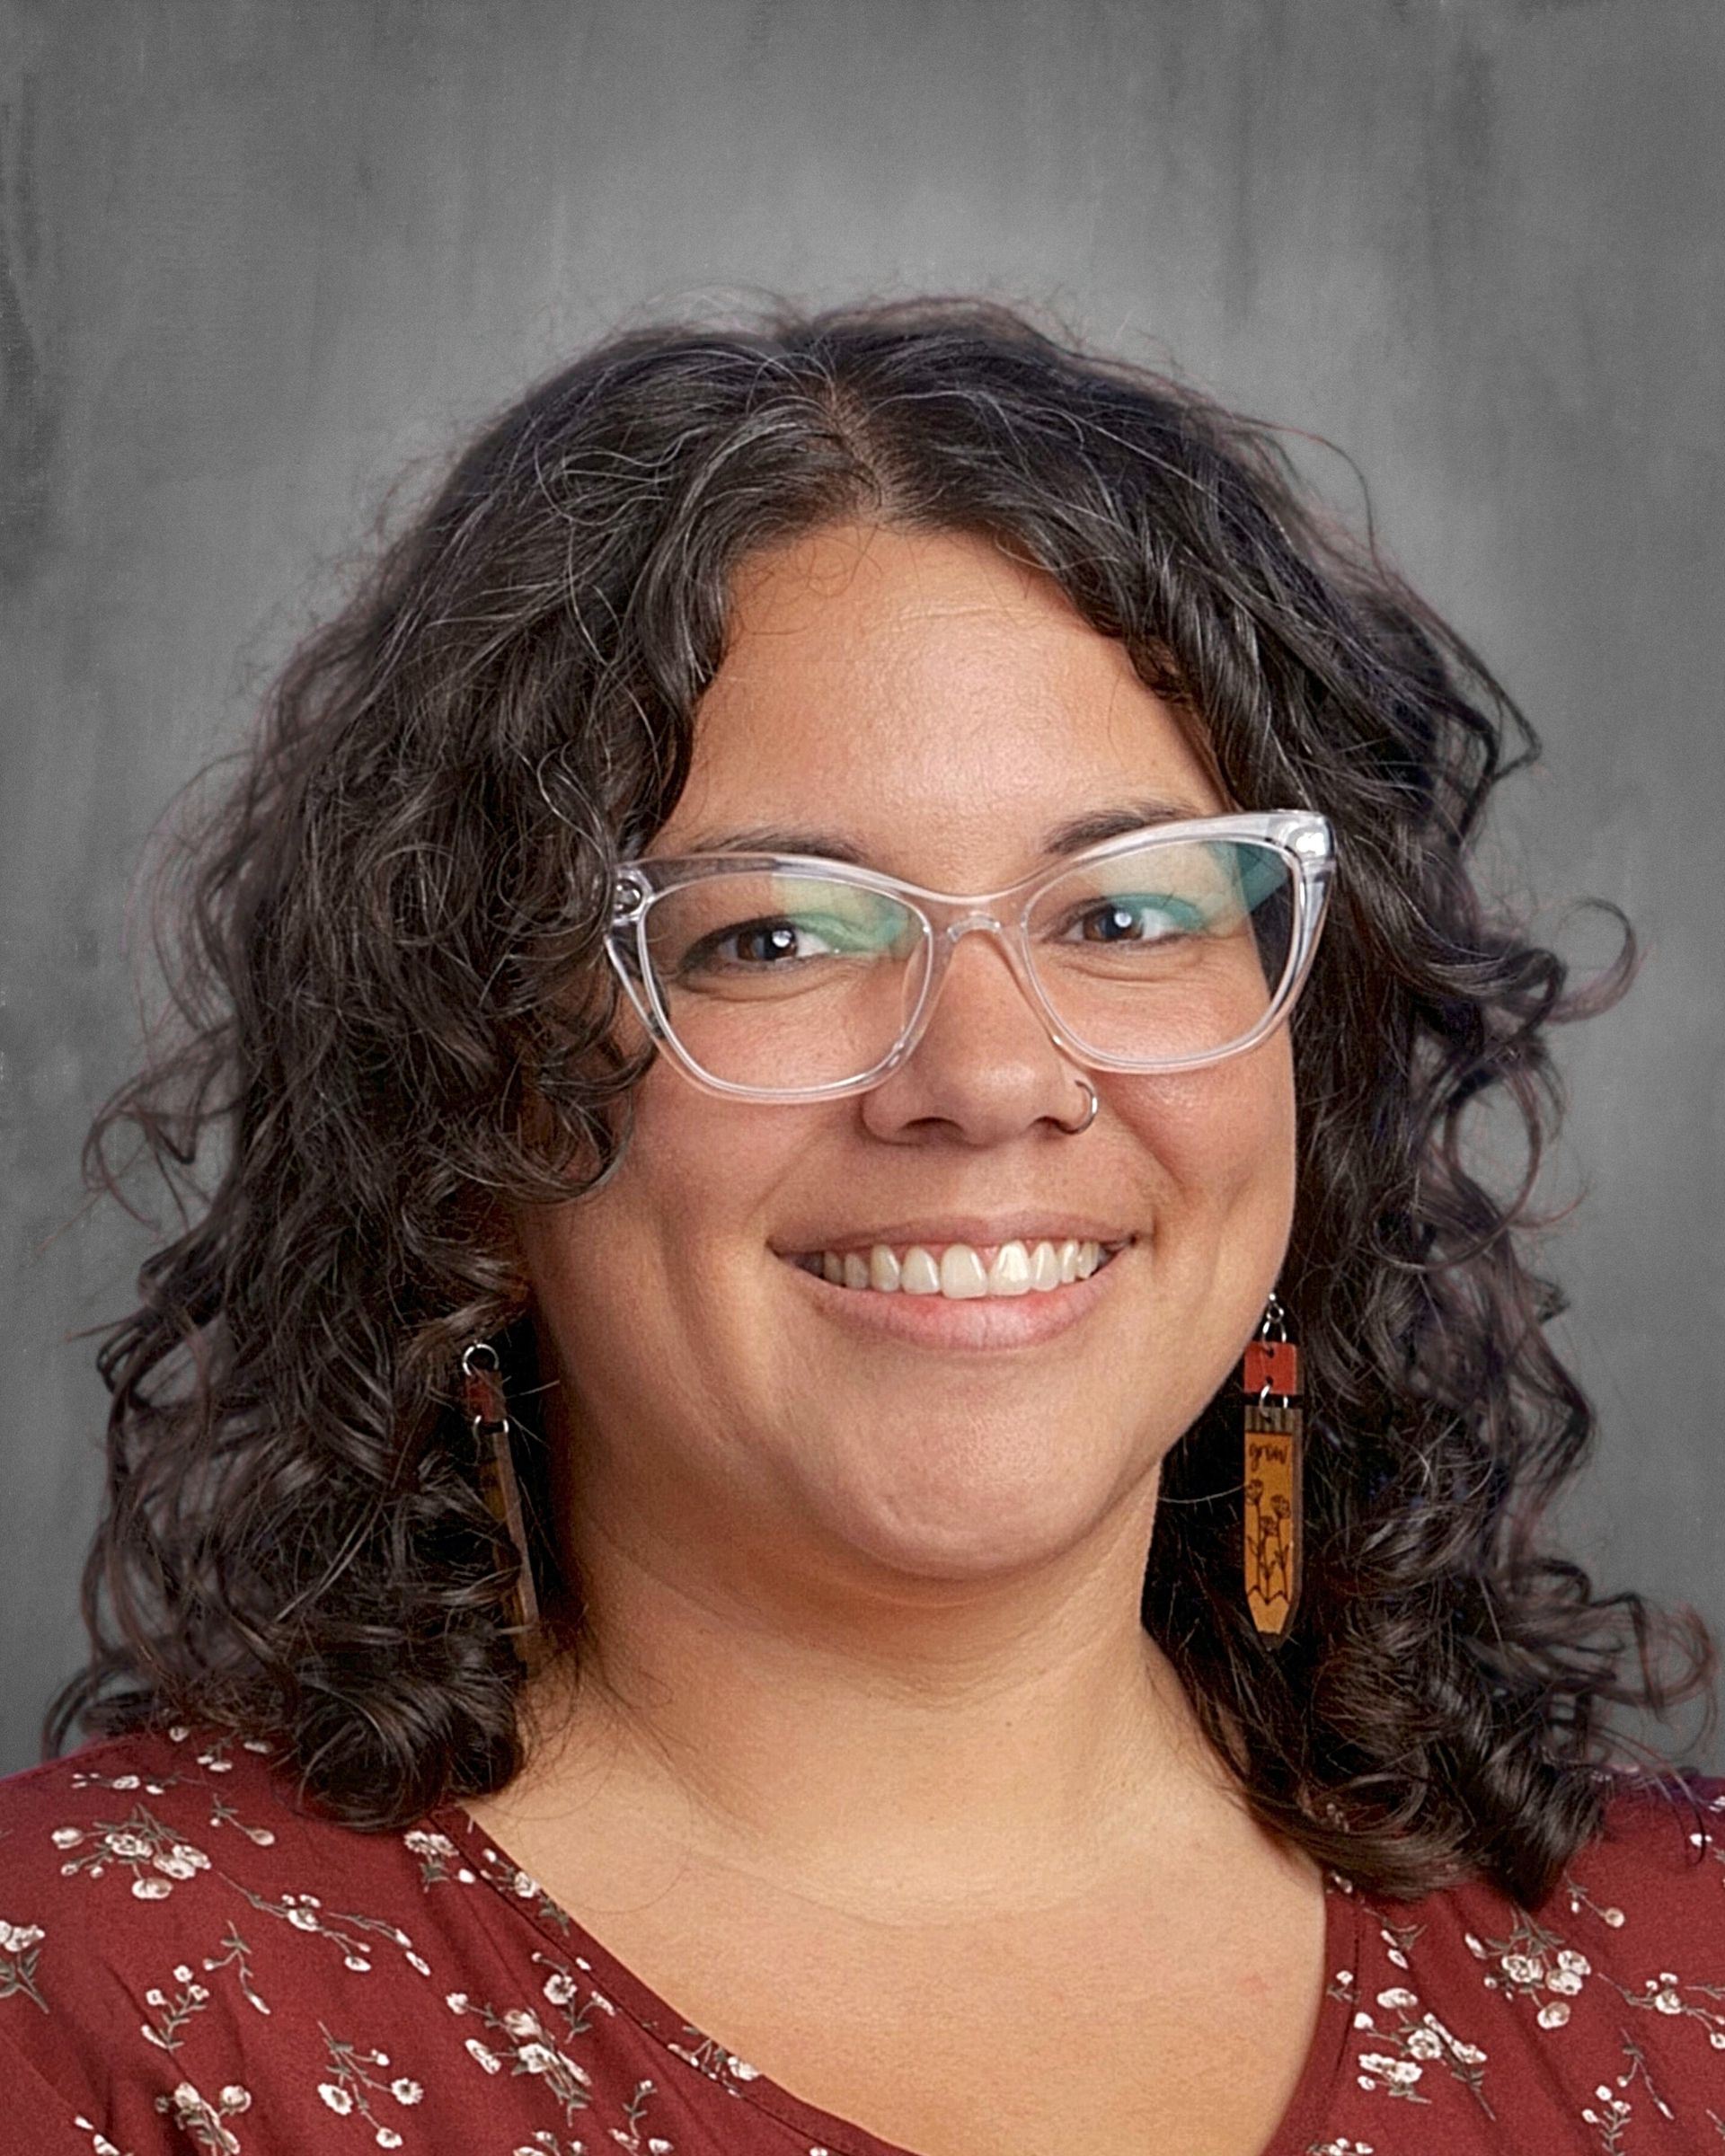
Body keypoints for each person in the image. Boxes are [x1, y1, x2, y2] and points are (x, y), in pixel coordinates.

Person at [2, 301, 1720, 2156]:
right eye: (775, 935)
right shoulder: (95, 2011)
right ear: (473, 1105)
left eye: (1129, 914)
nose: (989, 1078)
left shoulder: (1681, 1976)